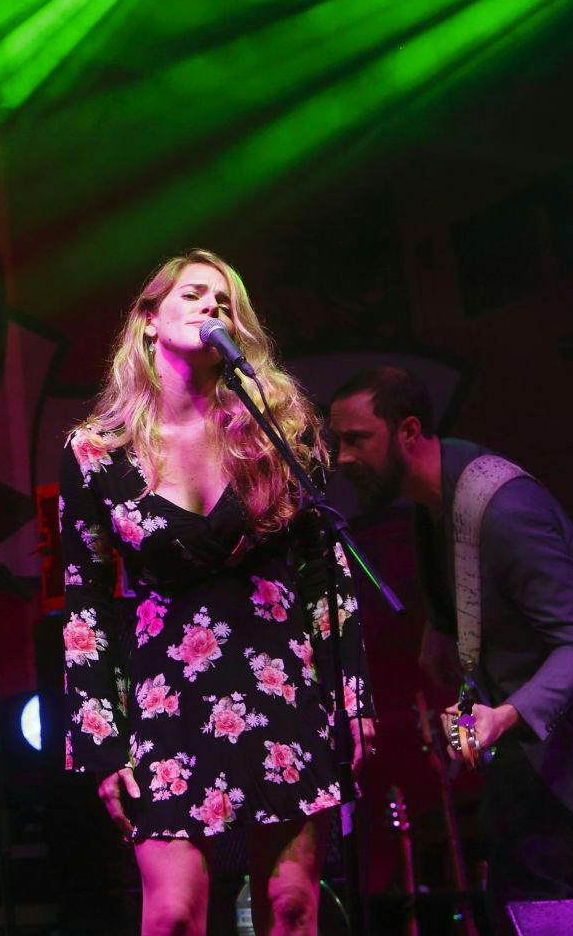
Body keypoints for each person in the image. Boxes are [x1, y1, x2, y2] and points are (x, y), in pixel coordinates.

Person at [59, 249, 374, 936]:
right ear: (148, 318)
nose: (212, 308)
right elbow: (83, 603)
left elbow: (326, 572)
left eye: (225, 301)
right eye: (194, 294)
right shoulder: (96, 452)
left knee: (291, 908)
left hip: (279, 685)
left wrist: (351, 698)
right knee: (172, 914)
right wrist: (100, 740)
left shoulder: (277, 431)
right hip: (166, 697)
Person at [327, 365, 573, 901]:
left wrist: (503, 715)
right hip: (539, 739)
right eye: (338, 441)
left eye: (357, 439)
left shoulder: (506, 511)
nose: (341, 458)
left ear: (409, 431)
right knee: (510, 879)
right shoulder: (435, 495)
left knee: (527, 890)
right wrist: (442, 630)